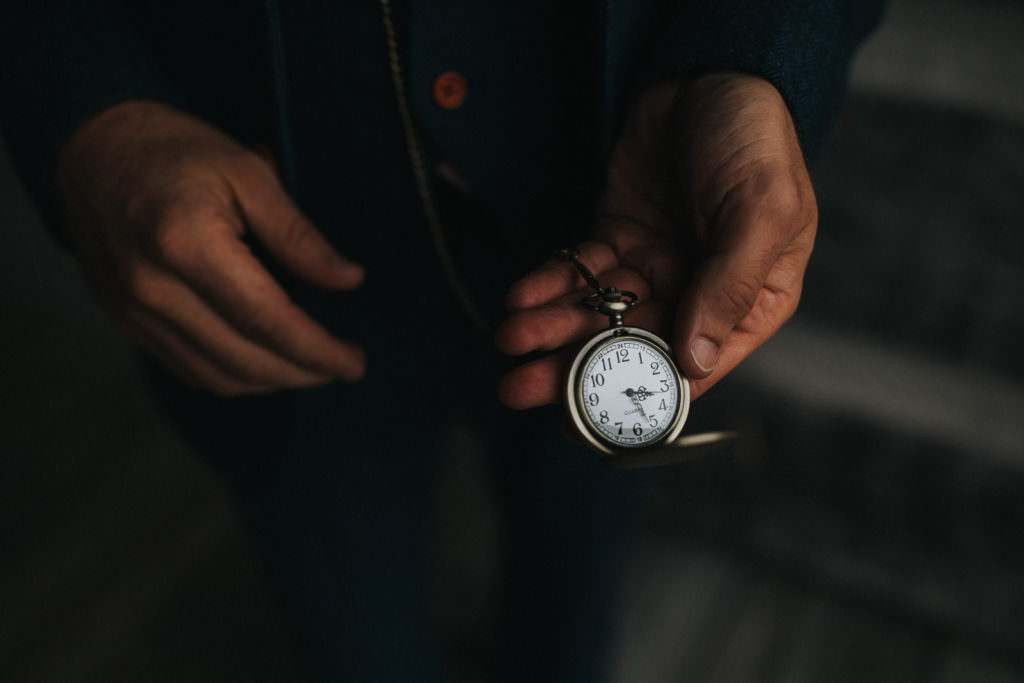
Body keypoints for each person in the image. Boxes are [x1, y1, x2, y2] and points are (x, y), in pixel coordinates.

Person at [1, 2, 884, 681]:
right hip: (261, 240)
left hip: (615, 205)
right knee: (350, 620)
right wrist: (87, 109)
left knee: (573, 585)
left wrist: (755, 55)